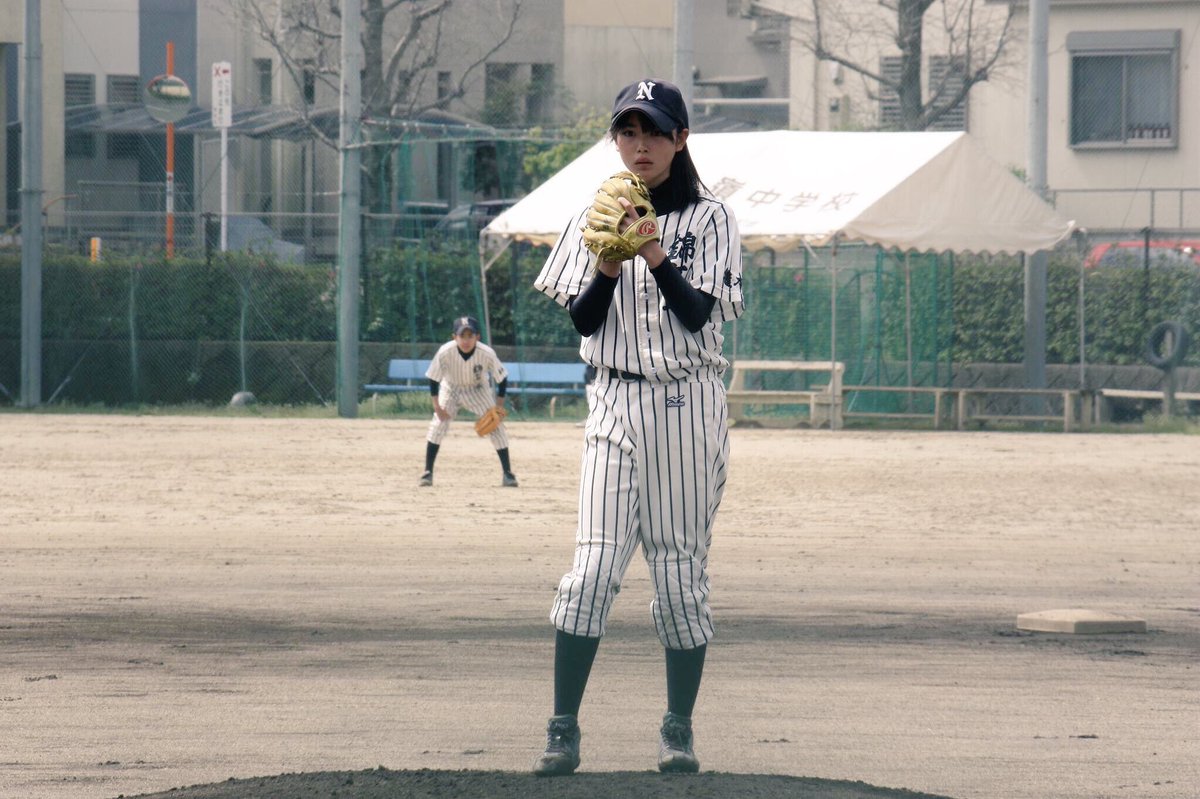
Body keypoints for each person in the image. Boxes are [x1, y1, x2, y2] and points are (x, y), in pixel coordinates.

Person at [530, 78, 744, 776]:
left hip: (687, 403)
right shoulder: (596, 207)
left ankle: (677, 726)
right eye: (627, 131)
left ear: (680, 138)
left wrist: (651, 252)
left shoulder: (712, 219)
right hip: (615, 403)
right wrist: (607, 263)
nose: (639, 144)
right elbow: (585, 321)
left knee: (680, 581)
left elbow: (697, 315)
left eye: (652, 130)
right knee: (591, 572)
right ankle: (563, 728)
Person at [419, 315, 518, 488]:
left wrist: (498, 407)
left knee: (496, 427)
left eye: (470, 336)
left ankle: (508, 473)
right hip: (451, 388)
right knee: (438, 424)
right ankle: (428, 472)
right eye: (462, 336)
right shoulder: (445, 352)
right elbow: (434, 379)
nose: (466, 340)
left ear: (477, 337)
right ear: (454, 337)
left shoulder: (486, 353)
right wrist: (437, 407)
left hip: (477, 389)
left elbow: (502, 378)